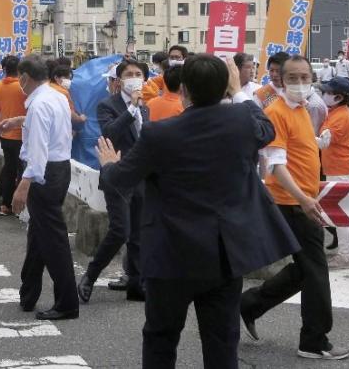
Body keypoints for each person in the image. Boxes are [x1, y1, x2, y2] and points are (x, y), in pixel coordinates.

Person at [96, 55, 298, 369]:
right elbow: (265, 126)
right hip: (223, 254)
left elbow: (119, 180)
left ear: (184, 88)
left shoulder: (159, 134)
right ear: (225, 87)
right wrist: (237, 92)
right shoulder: (243, 122)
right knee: (221, 341)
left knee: (161, 338)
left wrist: (108, 165)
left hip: (170, 254)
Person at [241, 55, 349, 361]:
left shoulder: (301, 109)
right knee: (315, 271)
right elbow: (276, 165)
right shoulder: (276, 112)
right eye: (293, 78)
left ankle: (249, 304)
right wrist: (303, 200)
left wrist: (319, 142)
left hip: (301, 199)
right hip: (292, 202)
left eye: (305, 77)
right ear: (280, 80)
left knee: (306, 270)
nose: (300, 83)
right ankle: (314, 340)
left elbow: (297, 146)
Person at [0, 56, 79, 320]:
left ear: (24, 77)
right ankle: (29, 293)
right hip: (59, 169)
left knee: (53, 241)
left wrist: (23, 184)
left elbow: (38, 150)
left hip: (43, 174)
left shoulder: (40, 103)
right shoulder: (55, 96)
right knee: (39, 234)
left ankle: (67, 302)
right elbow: (49, 126)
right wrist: (18, 121)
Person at [78, 58, 150, 303]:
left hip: (141, 176)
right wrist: (132, 109)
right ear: (119, 80)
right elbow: (110, 132)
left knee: (139, 233)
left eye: (138, 73)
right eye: (129, 73)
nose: (134, 77)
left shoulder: (146, 108)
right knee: (121, 230)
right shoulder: (107, 105)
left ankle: (136, 284)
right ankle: (90, 275)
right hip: (117, 176)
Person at [319, 77, 349, 269]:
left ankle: (345, 255)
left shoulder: (339, 117)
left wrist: (299, 137)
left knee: (338, 214)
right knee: (347, 211)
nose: (324, 95)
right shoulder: (340, 112)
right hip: (342, 167)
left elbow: (322, 142)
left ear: (338, 97)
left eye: (328, 92)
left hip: (338, 169)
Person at [0, 55, 28, 216]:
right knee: (22, 171)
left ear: (4, 69)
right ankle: (19, 205)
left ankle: (5, 204)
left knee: (9, 169)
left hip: (5, 135)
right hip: (21, 135)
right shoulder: (22, 88)